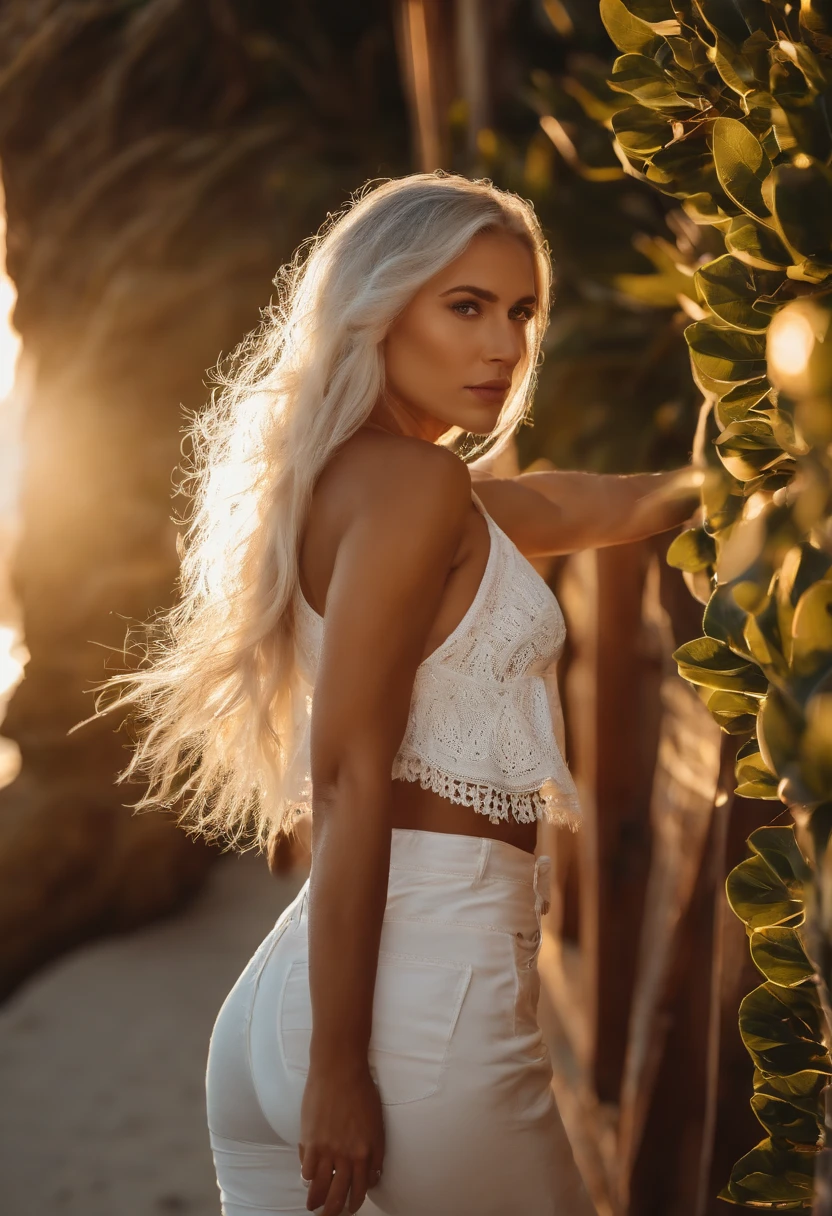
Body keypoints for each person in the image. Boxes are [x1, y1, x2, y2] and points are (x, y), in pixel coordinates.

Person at [82, 172, 702, 1215]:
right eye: (465, 307)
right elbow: (348, 772)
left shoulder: (361, 487)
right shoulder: (416, 488)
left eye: (520, 313)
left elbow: (570, 502)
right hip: (415, 1007)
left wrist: (730, 482)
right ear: (378, 306)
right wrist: (337, 1067)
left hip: (285, 1005)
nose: (502, 347)